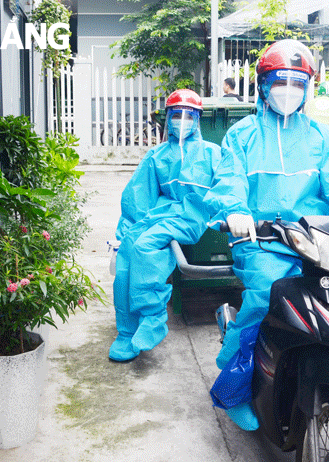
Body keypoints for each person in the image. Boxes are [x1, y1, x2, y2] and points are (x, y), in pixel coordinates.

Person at [204, 39, 329, 441]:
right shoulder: (242, 136)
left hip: (319, 243)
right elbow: (228, 181)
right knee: (263, 297)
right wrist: (234, 211)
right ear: (262, 86)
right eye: (279, 81)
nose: (287, 90)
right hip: (262, 240)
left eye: (297, 82)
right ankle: (237, 387)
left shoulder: (322, 138)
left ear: (308, 88)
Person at [109, 89, 221, 362]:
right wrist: (124, 233)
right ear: (167, 118)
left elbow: (228, 187)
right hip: (163, 214)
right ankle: (126, 331)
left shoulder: (212, 153)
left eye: (188, 115)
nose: (181, 120)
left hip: (191, 216)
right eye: (176, 114)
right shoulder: (157, 155)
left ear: (197, 119)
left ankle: (152, 316)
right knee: (128, 251)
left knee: (145, 246)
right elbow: (139, 196)